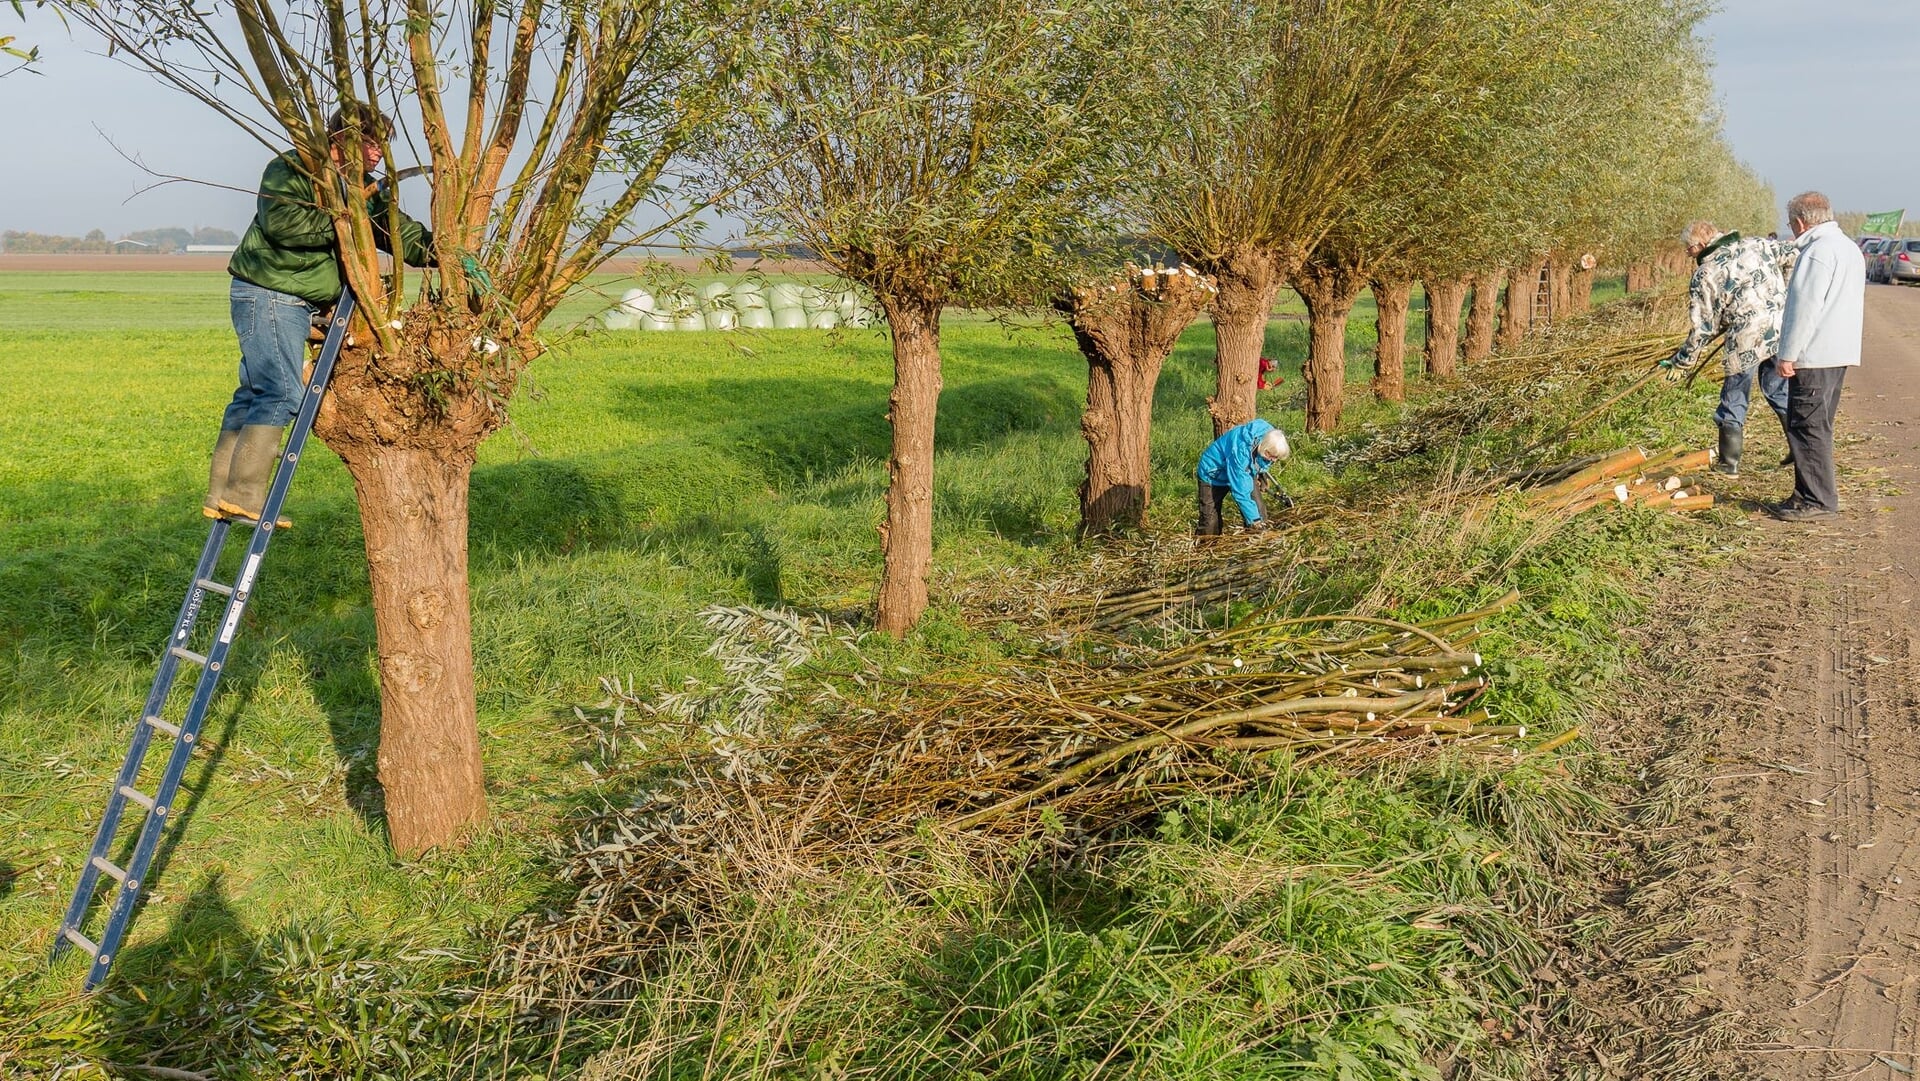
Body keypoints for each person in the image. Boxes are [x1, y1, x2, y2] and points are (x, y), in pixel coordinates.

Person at [203, 104, 434, 527]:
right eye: (369, 143)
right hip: (271, 293)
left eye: (381, 145)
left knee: (255, 391)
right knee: (279, 392)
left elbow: (395, 229)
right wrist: (347, 217)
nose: (378, 153)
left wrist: (438, 252)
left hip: (291, 299)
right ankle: (243, 497)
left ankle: (222, 494)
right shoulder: (293, 169)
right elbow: (285, 225)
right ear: (340, 139)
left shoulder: (361, 186)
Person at [1656, 220, 1796, 476]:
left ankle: (1729, 464)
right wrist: (1782, 292)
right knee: (1778, 391)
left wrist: (1683, 360)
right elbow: (1793, 255)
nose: (1687, 253)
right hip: (1780, 330)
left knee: (1735, 395)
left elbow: (1703, 328)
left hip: (1746, 339)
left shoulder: (1706, 273)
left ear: (1700, 245)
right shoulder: (1758, 244)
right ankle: (1801, 450)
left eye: (1688, 248)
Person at [1769, 190, 1865, 522]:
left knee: (1807, 427)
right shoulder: (1848, 248)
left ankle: (1817, 500)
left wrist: (1787, 354)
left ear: (1799, 222)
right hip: (1837, 352)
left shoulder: (1817, 253)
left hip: (1815, 353)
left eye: (1790, 224)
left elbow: (1804, 309)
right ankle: (1807, 494)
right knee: (1816, 425)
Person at [1195, 418, 1291, 536]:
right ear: (1265, 450)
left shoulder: (1270, 435)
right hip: (1213, 475)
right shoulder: (1240, 454)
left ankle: (1256, 545)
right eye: (1272, 458)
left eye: (1277, 458)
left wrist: (1261, 473)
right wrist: (1255, 522)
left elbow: (1259, 459)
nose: (1274, 461)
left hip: (1242, 472)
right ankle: (1206, 549)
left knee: (1259, 511)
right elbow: (1241, 494)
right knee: (1210, 522)